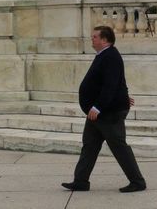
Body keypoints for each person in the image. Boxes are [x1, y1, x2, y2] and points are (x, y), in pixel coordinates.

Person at [62, 25, 146, 194]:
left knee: (119, 146)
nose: (91, 39)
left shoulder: (110, 56)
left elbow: (111, 84)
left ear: (105, 40)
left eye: (94, 37)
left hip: (107, 113)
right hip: (98, 113)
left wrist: (98, 106)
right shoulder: (104, 55)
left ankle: (137, 182)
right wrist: (122, 96)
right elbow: (114, 82)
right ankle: (81, 181)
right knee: (90, 146)